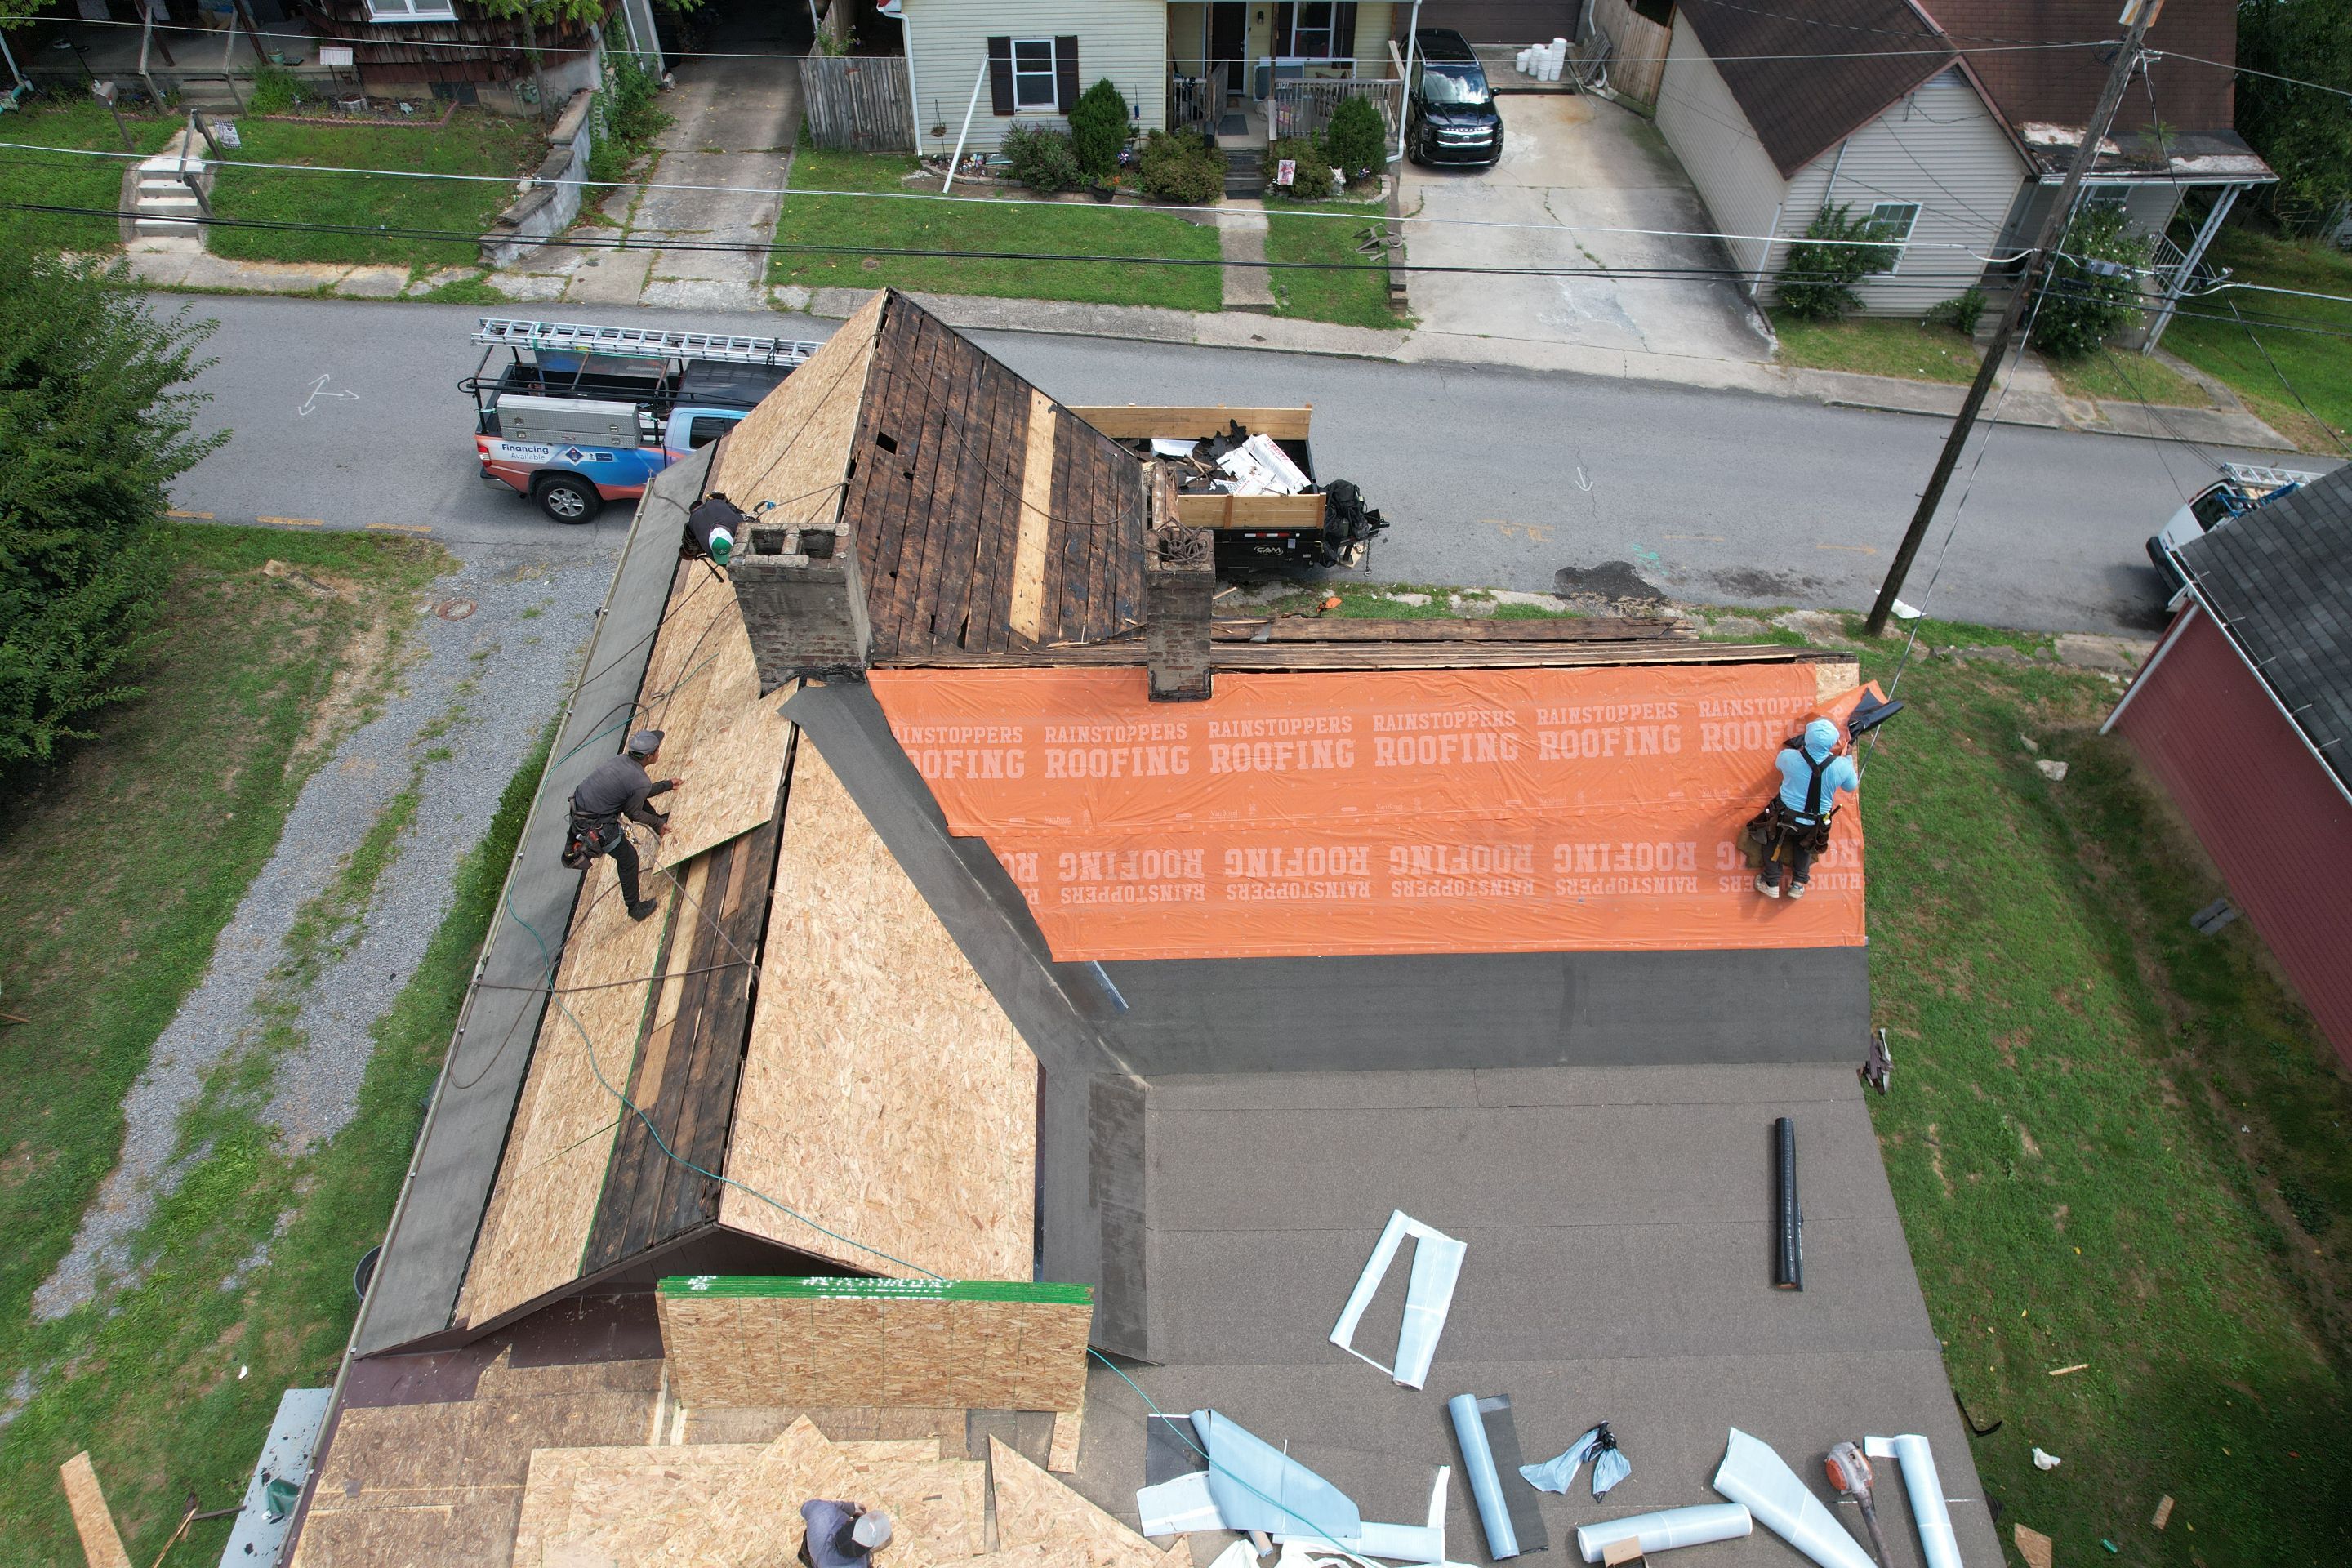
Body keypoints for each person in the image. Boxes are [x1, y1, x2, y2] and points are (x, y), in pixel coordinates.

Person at [565, 728, 682, 920]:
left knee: (638, 801)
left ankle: (660, 822)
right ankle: (635, 908)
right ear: (649, 756)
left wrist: (667, 785)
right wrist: (656, 823)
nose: (659, 752)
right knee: (629, 859)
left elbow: (637, 794)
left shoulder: (622, 760)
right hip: (596, 825)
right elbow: (633, 812)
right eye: (657, 750)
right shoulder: (638, 779)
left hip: (581, 808)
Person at [1754, 717, 1858, 901]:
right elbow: (1851, 787)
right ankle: (1798, 884)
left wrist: (1800, 752)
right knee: (1805, 845)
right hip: (1815, 824)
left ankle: (1771, 881)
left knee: (1771, 837)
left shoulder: (1788, 757)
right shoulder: (1842, 766)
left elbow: (1779, 764)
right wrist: (1848, 758)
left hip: (1785, 816)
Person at [800, 1501, 893, 1568]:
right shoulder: (859, 1565)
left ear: (849, 1522)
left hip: (813, 1547)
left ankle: (803, 1557)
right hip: (818, 1559)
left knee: (805, 1554)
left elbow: (805, 1508)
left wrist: (850, 1507)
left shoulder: (821, 1513)